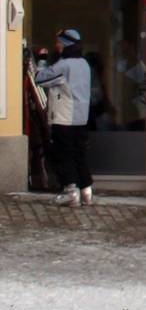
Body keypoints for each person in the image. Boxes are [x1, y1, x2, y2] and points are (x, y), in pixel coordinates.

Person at [34, 29, 93, 207]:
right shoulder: (84, 63)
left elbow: (40, 79)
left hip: (65, 117)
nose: (56, 45)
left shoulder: (64, 65)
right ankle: (86, 191)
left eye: (59, 42)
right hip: (81, 118)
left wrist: (42, 61)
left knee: (64, 154)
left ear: (66, 45)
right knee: (79, 154)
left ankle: (71, 192)